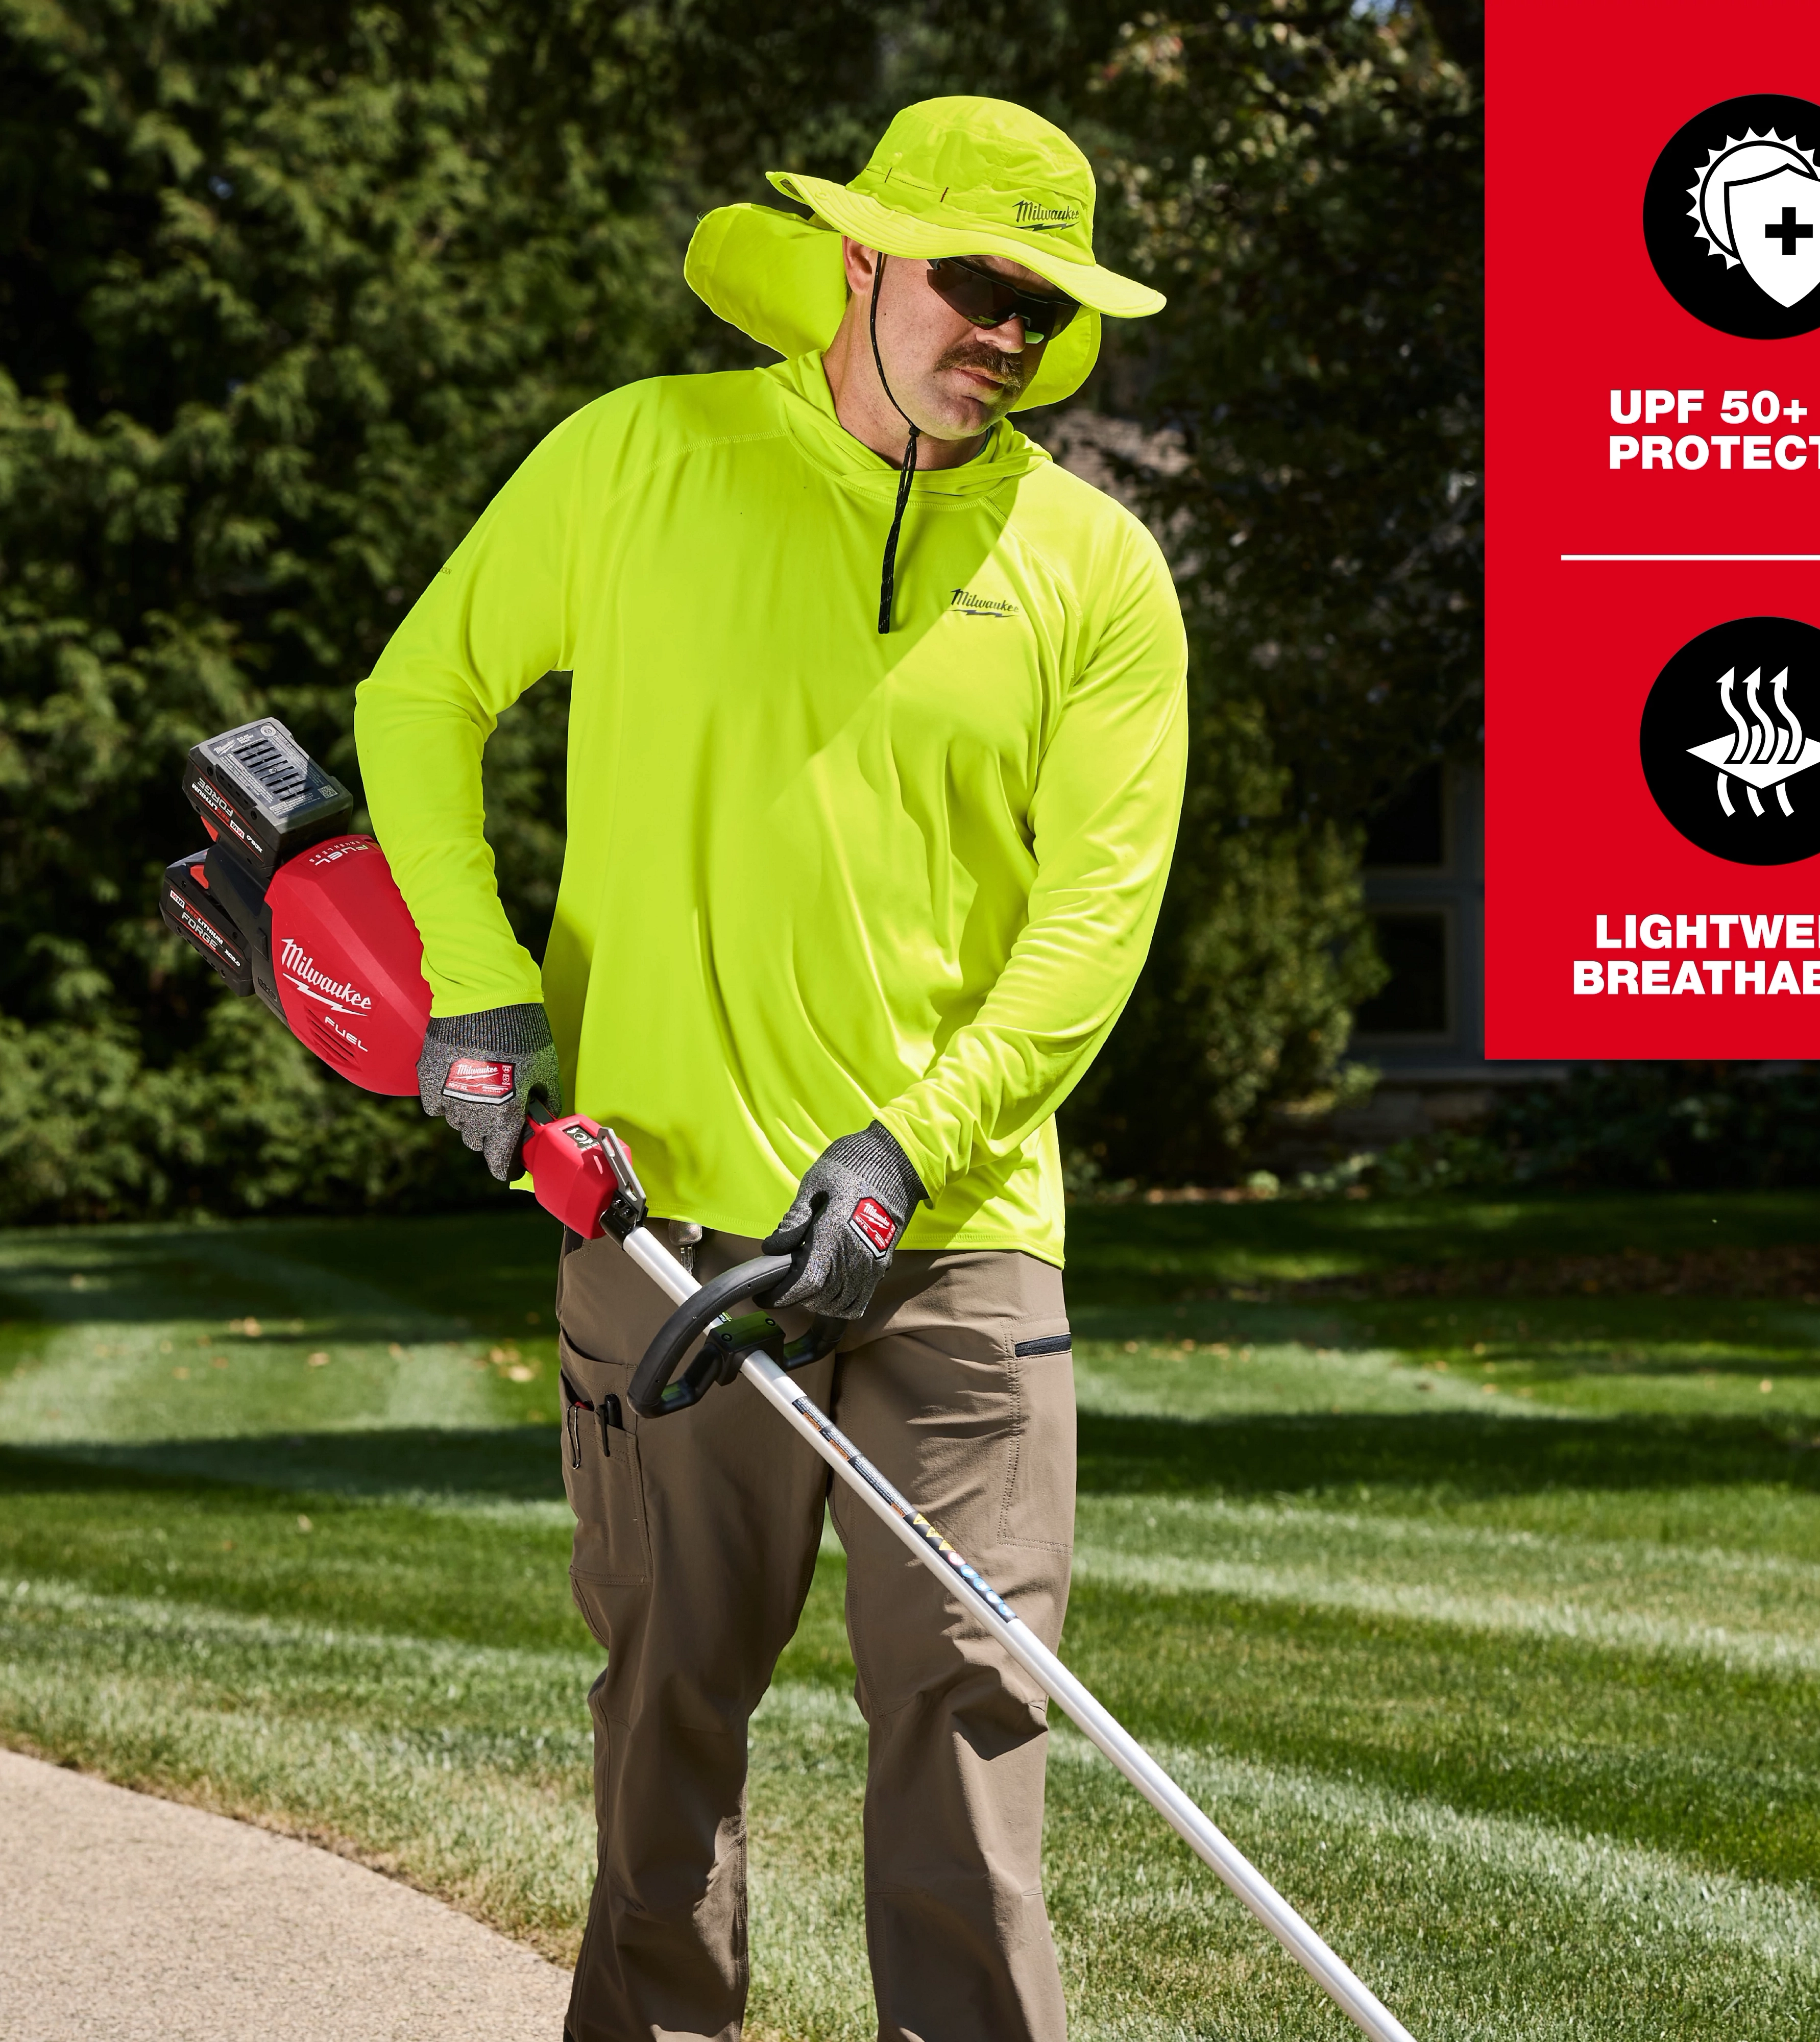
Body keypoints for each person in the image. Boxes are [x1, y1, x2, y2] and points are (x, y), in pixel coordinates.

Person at [355, 95, 1187, 2042]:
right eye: (980, 282)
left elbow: (1097, 923)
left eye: (1048, 306)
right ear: (863, 260)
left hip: (960, 1239)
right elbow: (421, 694)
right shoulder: (647, 455)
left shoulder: (1094, 569)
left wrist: (908, 1146)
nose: (1013, 333)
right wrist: (477, 996)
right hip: (660, 1223)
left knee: (973, 1717)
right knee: (667, 1724)